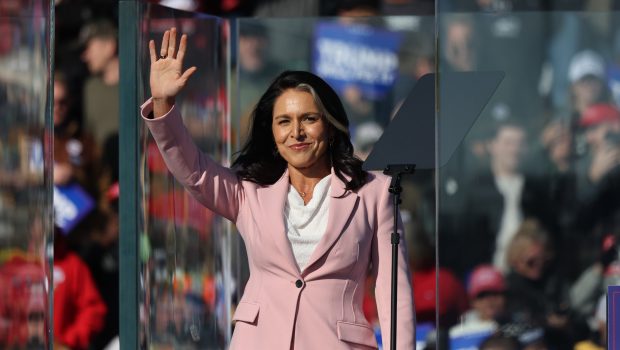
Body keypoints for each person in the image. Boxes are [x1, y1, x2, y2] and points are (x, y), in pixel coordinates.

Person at [141, 28, 415, 349]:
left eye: (309, 118)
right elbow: (194, 171)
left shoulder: (375, 191)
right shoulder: (248, 190)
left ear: (330, 124)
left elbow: (393, 290)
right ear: (271, 132)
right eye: (284, 121)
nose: (296, 132)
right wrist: (163, 103)